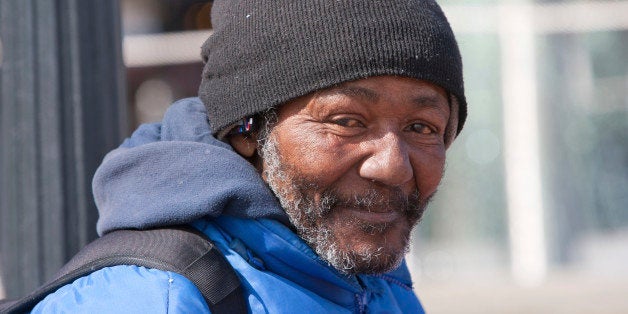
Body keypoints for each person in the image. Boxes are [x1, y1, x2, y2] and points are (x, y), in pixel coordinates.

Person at [32, 0, 466, 313]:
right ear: (248, 130)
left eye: (421, 128)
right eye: (347, 121)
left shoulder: (378, 286)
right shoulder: (152, 300)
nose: (391, 165)